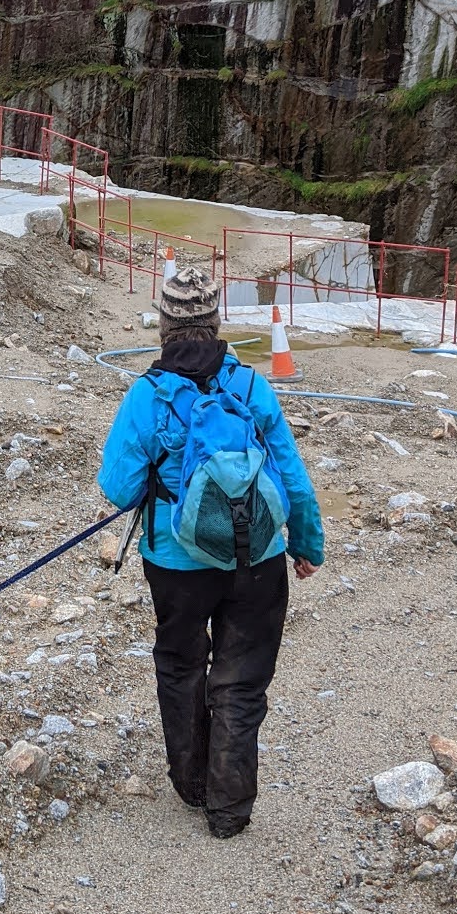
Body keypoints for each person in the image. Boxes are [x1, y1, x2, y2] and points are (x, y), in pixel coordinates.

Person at [97, 264, 324, 838]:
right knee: (241, 680)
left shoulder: (147, 395)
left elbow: (118, 487)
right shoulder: (251, 387)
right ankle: (229, 810)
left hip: (176, 564)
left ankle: (191, 782)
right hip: (259, 558)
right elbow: (291, 475)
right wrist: (305, 541)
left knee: (180, 666)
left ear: (164, 327)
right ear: (216, 322)